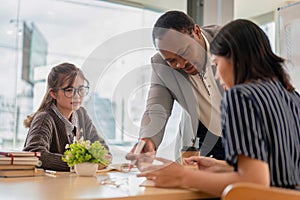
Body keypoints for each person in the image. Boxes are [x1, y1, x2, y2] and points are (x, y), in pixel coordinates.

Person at [137, 19, 300, 196]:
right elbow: (278, 165)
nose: (217, 78)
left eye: (216, 62)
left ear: (235, 58)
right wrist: (225, 166)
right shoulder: (291, 95)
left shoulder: (240, 96)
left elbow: (255, 182)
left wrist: (182, 176)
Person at [128, 10, 225, 162]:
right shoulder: (161, 64)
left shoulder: (229, 39)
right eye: (172, 61)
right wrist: (147, 141)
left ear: (197, 32)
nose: (181, 64)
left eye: (184, 52)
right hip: (206, 139)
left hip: (248, 135)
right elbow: (156, 108)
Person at [23, 62, 111, 171]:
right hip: (46, 185)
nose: (77, 95)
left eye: (81, 89)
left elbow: (104, 151)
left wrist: (101, 158)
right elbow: (34, 154)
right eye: (69, 90)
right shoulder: (45, 118)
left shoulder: (81, 114)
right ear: (53, 93)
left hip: (73, 184)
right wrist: (79, 165)